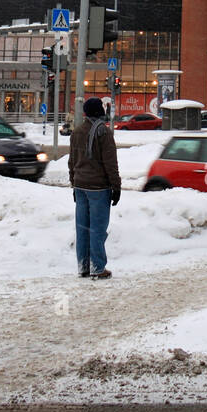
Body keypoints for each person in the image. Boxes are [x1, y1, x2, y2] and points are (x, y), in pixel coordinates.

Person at [68, 96, 121, 279]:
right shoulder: (103, 133)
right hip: (99, 188)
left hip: (80, 186)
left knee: (82, 228)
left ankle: (83, 266)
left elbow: (72, 161)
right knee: (97, 229)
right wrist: (116, 187)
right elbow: (110, 163)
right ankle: (98, 267)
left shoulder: (77, 132)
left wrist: (73, 183)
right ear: (99, 112)